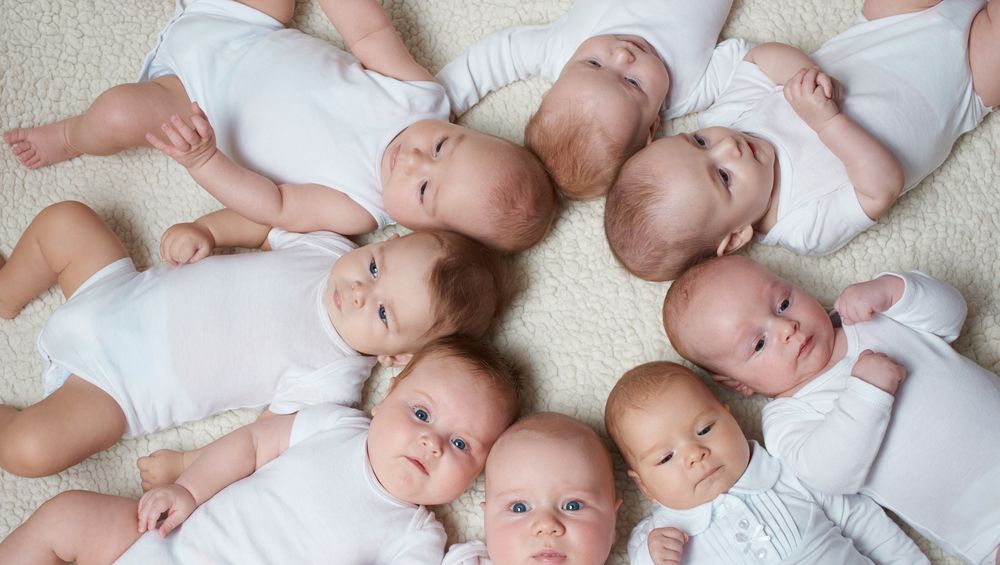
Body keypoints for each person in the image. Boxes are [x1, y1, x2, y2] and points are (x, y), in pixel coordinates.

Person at [0, 336, 519, 565]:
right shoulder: (337, 425)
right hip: (157, 540)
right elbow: (251, 445)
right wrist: (188, 489)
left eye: (460, 444)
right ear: (384, 400)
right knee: (67, 513)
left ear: (478, 474)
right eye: (422, 415)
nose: (431, 443)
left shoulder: (417, 534)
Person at [0, 200, 507, 477]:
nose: (357, 291)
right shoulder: (326, 247)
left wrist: (188, 466)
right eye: (375, 267)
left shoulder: (333, 378)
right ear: (386, 241)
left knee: (30, 450)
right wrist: (209, 232)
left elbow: (258, 441)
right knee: (65, 220)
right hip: (113, 290)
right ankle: (6, 292)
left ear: (397, 356)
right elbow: (263, 223)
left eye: (380, 312)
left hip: (116, 390)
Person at [3, 0, 556, 252]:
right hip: (243, 21)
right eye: (443, 144)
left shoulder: (359, 206)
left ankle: (69, 135)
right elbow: (370, 35)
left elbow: (273, 205)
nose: (414, 158)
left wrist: (204, 161)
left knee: (119, 114)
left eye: (425, 187)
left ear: (422, 229)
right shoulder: (421, 97)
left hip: (192, 100)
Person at [662, 255, 1000, 565]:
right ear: (739, 384)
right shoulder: (786, 418)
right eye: (760, 343)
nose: (786, 328)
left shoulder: (868, 316)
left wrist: (892, 290)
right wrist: (867, 393)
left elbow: (952, 316)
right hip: (985, 524)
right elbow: (830, 475)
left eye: (782, 304)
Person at [605, 0, 1000, 280]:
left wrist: (806, 74)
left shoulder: (725, 120)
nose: (729, 146)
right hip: (962, 84)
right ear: (737, 236)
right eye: (724, 177)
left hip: (886, 25)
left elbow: (760, 59)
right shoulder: (802, 227)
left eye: (698, 142)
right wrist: (826, 120)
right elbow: (882, 186)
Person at [605, 361, 954, 565]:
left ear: (732, 417)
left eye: (705, 430)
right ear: (645, 487)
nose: (694, 454)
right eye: (665, 457)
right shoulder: (659, 538)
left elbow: (863, 521)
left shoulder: (790, 469)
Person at [358, 412, 677, 565]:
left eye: (573, 506)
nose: (546, 526)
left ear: (614, 516)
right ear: (486, 517)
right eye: (519, 507)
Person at [436, 0, 734, 198]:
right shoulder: (689, 89)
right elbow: (750, 68)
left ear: (551, 90)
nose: (621, 54)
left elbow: (497, 56)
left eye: (593, 64)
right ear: (651, 130)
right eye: (632, 82)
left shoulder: (560, 52)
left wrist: (443, 100)